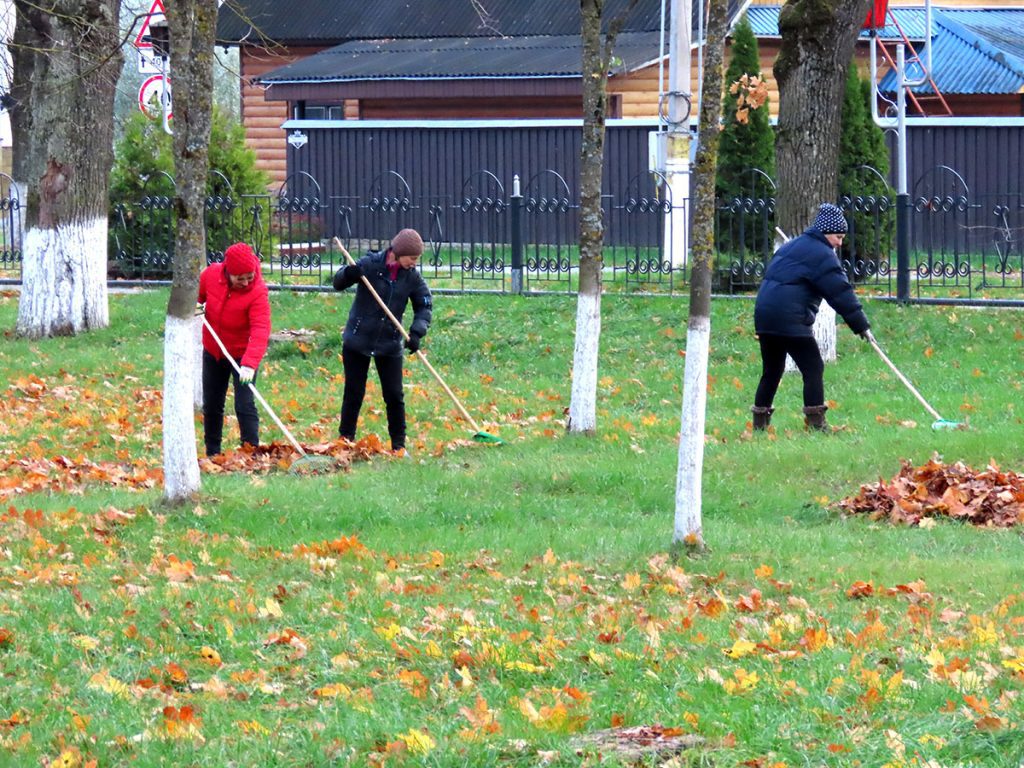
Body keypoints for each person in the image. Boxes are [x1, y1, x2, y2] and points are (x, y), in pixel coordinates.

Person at [751, 203, 870, 432]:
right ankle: (817, 424)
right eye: (838, 236)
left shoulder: (790, 247)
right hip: (789, 319)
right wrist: (861, 325)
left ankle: (759, 424)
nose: (840, 242)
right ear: (826, 233)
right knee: (813, 367)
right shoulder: (822, 255)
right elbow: (840, 292)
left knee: (772, 370)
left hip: (765, 317)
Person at [333, 228, 433, 453]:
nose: (414, 263)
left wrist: (417, 332)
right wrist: (349, 274)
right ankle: (345, 440)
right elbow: (337, 283)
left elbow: (425, 305)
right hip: (357, 340)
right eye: (412, 258)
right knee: (354, 392)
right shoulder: (370, 264)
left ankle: (399, 446)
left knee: (394, 395)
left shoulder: (412, 277)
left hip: (389, 343)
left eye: (417, 259)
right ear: (397, 253)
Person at [198, 242, 271, 456]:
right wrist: (197, 306)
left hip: (242, 355)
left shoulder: (257, 292)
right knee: (212, 404)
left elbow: (261, 328)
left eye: (250, 276)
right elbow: (199, 295)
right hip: (214, 350)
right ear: (228, 272)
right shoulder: (211, 275)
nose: (246, 281)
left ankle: (250, 453)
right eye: (241, 278)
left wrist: (249, 364)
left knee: (244, 404)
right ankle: (213, 452)